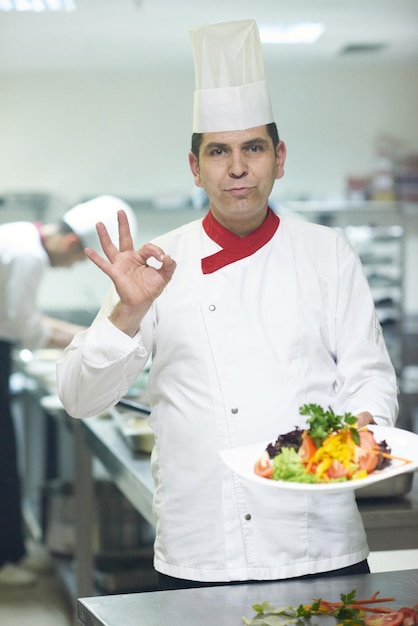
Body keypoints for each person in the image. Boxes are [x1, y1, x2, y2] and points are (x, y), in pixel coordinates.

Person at [57, 20, 398, 590]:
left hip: (321, 543)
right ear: (195, 167)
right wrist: (127, 313)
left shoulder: (327, 253)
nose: (237, 168)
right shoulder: (157, 263)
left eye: (253, 148)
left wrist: (357, 429)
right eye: (218, 151)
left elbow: (371, 379)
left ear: (279, 157)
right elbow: (78, 397)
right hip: (203, 552)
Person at [0, 194, 137, 586]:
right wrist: (92, 338)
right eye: (79, 259)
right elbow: (28, 329)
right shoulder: (28, 255)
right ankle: (6, 561)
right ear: (72, 243)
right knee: (2, 459)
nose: (73, 265)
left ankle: (12, 553)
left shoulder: (20, 237)